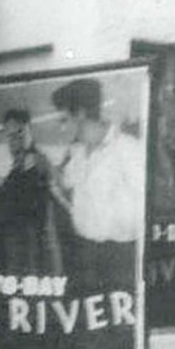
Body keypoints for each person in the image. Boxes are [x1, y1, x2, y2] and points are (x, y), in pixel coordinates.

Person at [50, 78, 144, 290]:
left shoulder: (127, 148)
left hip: (118, 259)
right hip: (83, 255)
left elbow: (141, 209)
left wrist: (107, 221)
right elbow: (66, 184)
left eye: (64, 119)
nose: (62, 127)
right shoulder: (78, 154)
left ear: (81, 113)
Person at [0, 109, 59, 275]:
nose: (14, 139)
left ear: (28, 129)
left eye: (19, 132)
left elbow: (22, 198)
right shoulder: (21, 161)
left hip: (30, 242)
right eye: (9, 134)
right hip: (21, 240)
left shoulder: (33, 159)